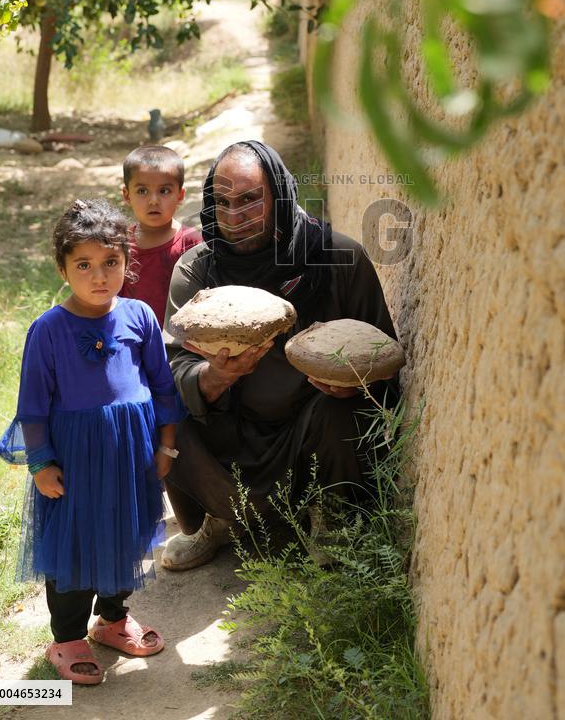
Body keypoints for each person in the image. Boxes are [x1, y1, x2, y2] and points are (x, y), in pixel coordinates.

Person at [161, 140, 398, 571]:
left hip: (309, 433)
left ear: (280, 196)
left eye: (250, 200)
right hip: (230, 431)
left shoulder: (337, 259)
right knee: (151, 410)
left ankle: (330, 515)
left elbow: (385, 358)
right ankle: (220, 518)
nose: (235, 217)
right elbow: (173, 369)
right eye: (223, 202)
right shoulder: (196, 272)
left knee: (341, 413)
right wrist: (218, 376)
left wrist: (355, 386)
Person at [0, 199, 185, 685]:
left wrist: (165, 445)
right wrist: (40, 462)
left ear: (126, 261)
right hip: (75, 459)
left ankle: (113, 619)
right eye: (83, 265)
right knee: (74, 545)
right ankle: (67, 637)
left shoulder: (140, 316)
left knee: (124, 537)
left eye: (111, 263)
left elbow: (163, 386)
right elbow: (33, 408)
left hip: (131, 455)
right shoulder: (49, 330)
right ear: (62, 267)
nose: (99, 276)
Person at [120, 144, 201, 326]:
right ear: (127, 195)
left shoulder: (192, 243)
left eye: (164, 191)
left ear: (180, 195)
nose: (154, 201)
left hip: (177, 346)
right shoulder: (119, 244)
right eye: (142, 191)